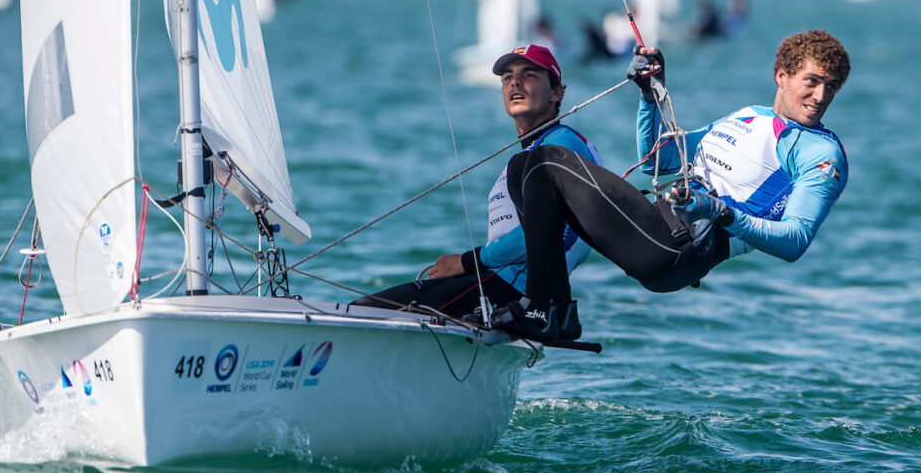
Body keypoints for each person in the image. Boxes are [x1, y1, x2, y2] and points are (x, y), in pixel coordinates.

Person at [487, 30, 851, 343]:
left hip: (684, 250)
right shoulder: (749, 115)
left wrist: (719, 212)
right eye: (813, 81)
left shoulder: (822, 152)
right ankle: (547, 307)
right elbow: (656, 160)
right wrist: (650, 95)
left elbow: (795, 241)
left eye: (830, 87)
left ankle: (544, 308)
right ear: (782, 76)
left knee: (549, 159)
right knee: (526, 165)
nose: (821, 96)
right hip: (658, 226)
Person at [352, 44, 601, 338]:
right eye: (507, 78)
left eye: (529, 75)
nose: (515, 83)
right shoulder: (534, 152)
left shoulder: (560, 144)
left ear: (558, 91)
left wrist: (467, 262)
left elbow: (553, 233)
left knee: (362, 311)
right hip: (503, 285)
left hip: (516, 291)